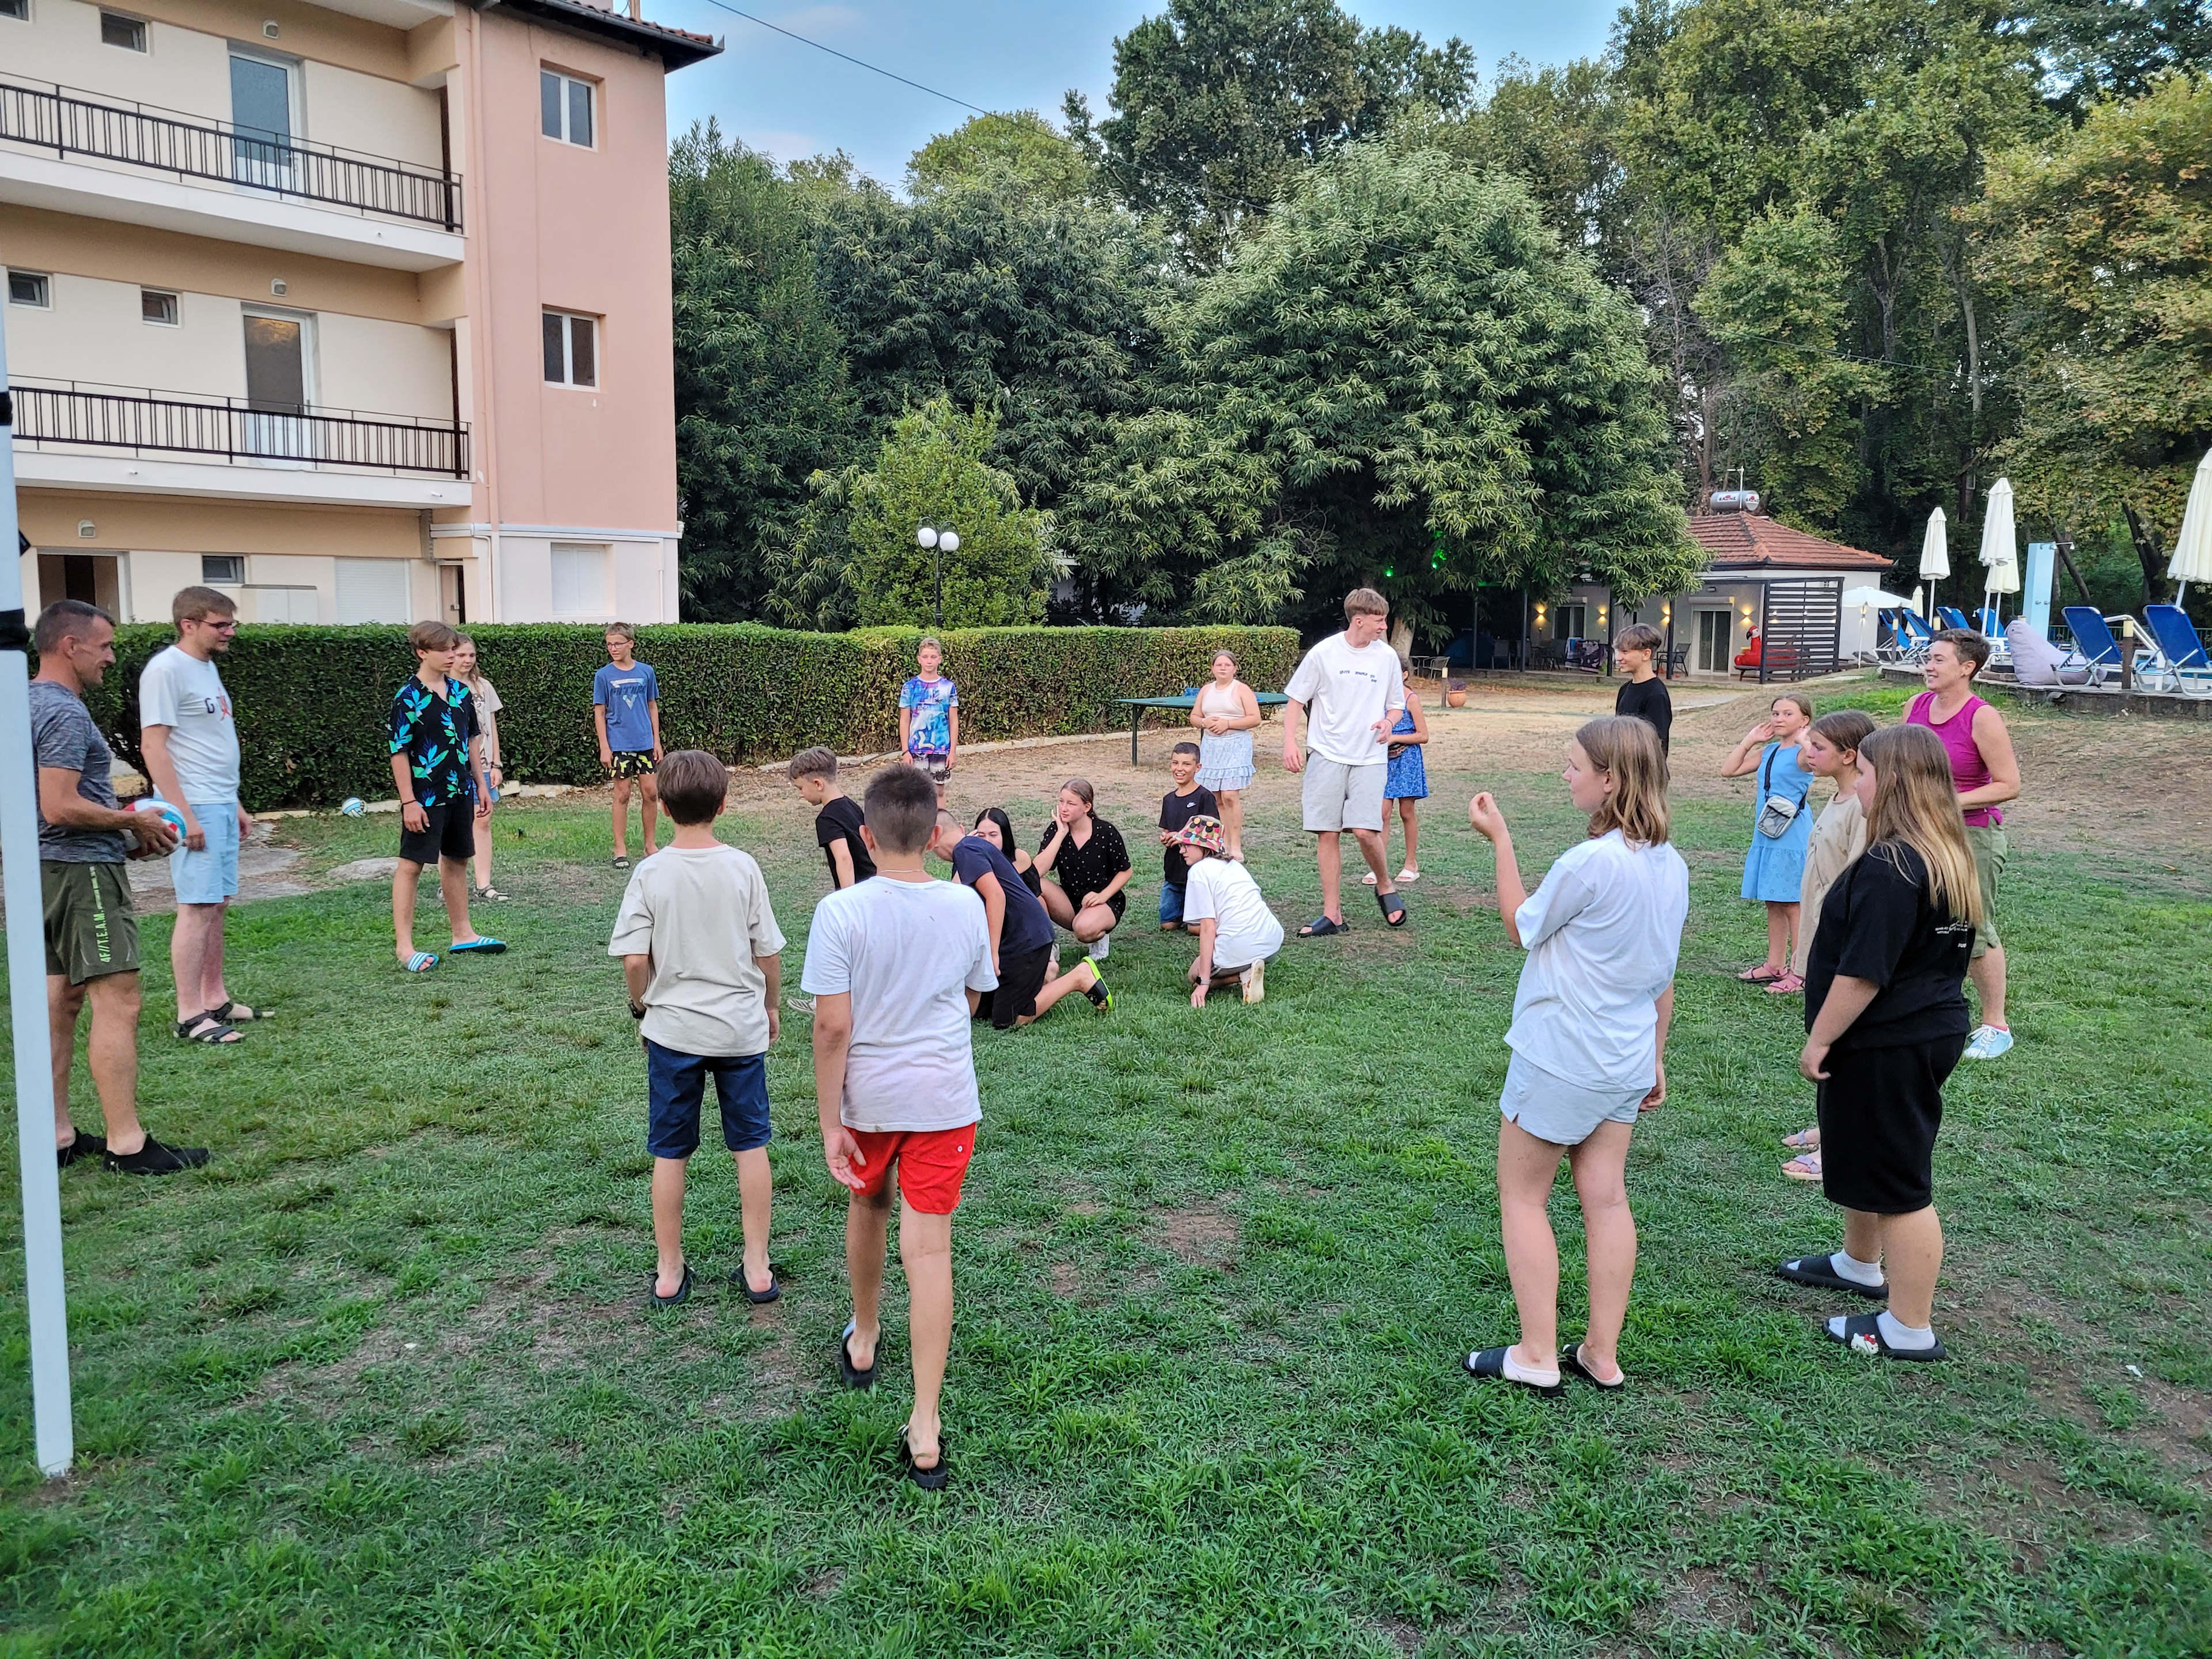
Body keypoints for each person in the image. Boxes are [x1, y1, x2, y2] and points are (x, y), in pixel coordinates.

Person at [1461, 716, 1686, 1394]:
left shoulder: (1591, 863)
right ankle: (1600, 1353)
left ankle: (1536, 1354)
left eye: (1574, 765)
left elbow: (1518, 926)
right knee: (1607, 1200)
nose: (1566, 774)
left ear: (1610, 778)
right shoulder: (1671, 865)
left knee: (1523, 1197)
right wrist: (1656, 1057)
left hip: (1562, 1055)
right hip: (1623, 1057)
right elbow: (1663, 978)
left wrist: (1500, 839)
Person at [804, 766, 998, 1489]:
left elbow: (830, 1026)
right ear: (934, 831)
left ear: (866, 833)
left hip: (869, 1098)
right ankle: (925, 1423)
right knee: (930, 1252)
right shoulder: (963, 905)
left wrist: (830, 1122)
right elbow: (976, 994)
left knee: (868, 1204)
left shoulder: (843, 911)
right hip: (945, 1100)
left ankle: (865, 1337)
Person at [1775, 724, 1980, 1362]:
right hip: (1921, 1029)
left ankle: (1907, 1327)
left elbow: (1864, 973)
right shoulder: (1941, 851)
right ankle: (1859, 1263)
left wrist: (1819, 1041)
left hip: (1891, 1039)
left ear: (1889, 781)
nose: (1854, 782)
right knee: (1867, 1151)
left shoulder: (1892, 866)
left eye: (1862, 772)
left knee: (1900, 1182)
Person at [30, 599, 209, 1175]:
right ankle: (127, 1145)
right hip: (80, 873)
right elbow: (58, 806)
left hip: (44, 870)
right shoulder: (63, 713)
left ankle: (57, 1134)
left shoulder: (27, 703)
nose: (111, 657)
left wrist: (124, 821)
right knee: (119, 998)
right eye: (104, 646)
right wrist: (131, 821)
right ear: (69, 646)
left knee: (61, 1001)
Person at [609, 751, 785, 1309]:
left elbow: (635, 960)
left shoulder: (650, 872)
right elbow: (768, 954)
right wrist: (772, 1007)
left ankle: (669, 1269)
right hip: (738, 1029)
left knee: (670, 1150)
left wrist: (643, 1006)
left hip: (673, 1031)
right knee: (750, 1144)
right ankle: (757, 1265)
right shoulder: (743, 867)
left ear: (660, 805)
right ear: (724, 804)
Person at [138, 585, 262, 1045]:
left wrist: (235, 804)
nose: (229, 632)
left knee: (218, 903)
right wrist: (184, 814)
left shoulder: (205, 668)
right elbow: (155, 746)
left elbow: (207, 744)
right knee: (196, 906)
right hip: (193, 805)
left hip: (218, 801)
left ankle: (215, 998)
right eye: (220, 625)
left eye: (232, 624)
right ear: (188, 624)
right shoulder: (167, 670)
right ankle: (190, 1013)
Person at [1907, 631, 2021, 1060]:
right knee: (1922, 922)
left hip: (1972, 834)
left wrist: (1947, 802)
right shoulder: (1916, 707)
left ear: (1967, 668)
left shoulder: (1982, 716)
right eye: (1928, 658)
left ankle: (1996, 1025)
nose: (1928, 665)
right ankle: (1930, 1005)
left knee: (1973, 926)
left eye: (1938, 659)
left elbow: (2009, 785)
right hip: (1919, 831)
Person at [1778, 710, 1876, 1181]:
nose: (1806, 755)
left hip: (1842, 946)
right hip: (1820, 939)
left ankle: (1840, 1142)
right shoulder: (1838, 798)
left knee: (1841, 1043)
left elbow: (1859, 883)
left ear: (1849, 755)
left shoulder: (1863, 805)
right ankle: (1828, 1123)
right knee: (1824, 1036)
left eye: (1817, 747)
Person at [1282, 588, 1409, 935]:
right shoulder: (1324, 654)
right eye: (1379, 620)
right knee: (1328, 831)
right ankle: (1333, 914)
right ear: (1359, 620)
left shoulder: (1386, 659)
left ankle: (1385, 884)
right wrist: (1290, 742)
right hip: (1326, 753)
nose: (1384, 626)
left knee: (1366, 831)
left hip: (1370, 756)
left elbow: (1397, 705)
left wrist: (1389, 721)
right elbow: (1295, 700)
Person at [389, 620, 502, 972]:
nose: (453, 655)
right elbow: (399, 752)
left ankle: (463, 934)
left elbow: (472, 740)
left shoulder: (460, 692)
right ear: (423, 653)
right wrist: (409, 801)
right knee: (412, 865)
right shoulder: (407, 698)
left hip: (461, 791)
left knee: (457, 859)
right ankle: (405, 948)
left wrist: (481, 785)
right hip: (425, 797)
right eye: (446, 650)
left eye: (455, 648)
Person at [933, 810, 1109, 1027]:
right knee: (984, 1009)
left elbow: (996, 896)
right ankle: (1041, 978)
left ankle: (1079, 977)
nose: (931, 850)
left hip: (1026, 939)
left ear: (935, 835)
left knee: (1010, 1019)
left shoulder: (967, 849)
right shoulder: (971, 847)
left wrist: (993, 953)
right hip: (1020, 936)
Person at [1722, 692, 1816, 984]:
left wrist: (1805, 740)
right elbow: (1729, 770)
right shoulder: (1769, 751)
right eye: (1776, 713)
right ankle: (1775, 964)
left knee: (1792, 903)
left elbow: (1820, 764)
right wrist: (1750, 741)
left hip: (1792, 835)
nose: (1779, 719)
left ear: (1804, 720)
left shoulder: (1803, 753)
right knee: (1773, 900)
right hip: (1768, 832)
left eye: (1788, 714)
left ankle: (1799, 971)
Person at [1174, 815, 1284, 1006]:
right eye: (1181, 845)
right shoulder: (1235, 865)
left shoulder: (1198, 872)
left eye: (1187, 845)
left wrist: (1204, 982)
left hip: (1242, 945)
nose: (1182, 850)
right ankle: (1248, 969)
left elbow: (1207, 928)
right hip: (1272, 941)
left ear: (1204, 846)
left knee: (1194, 974)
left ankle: (1242, 975)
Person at [1036, 778, 1131, 960]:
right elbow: (1037, 871)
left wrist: (1102, 896)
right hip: (1070, 900)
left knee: (1083, 930)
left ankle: (1099, 936)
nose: (1063, 808)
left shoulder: (1106, 832)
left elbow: (1125, 871)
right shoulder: (1056, 830)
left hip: (1104, 900)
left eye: (1071, 804)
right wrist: (1061, 833)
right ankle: (1048, 944)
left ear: (1087, 807)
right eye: (1061, 801)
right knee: (1034, 884)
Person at [593, 623, 662, 869]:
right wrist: (605, 746)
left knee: (651, 793)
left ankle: (650, 845)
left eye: (618, 644)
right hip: (619, 744)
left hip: (644, 743)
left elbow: (652, 706)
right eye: (609, 644)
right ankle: (620, 848)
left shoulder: (646, 672)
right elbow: (599, 712)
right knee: (622, 794)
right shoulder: (603, 676)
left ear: (631, 644)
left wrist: (656, 740)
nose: (613, 648)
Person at [451, 634, 509, 904]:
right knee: (452, 824)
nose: (467, 660)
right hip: (451, 766)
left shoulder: (483, 686)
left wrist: (496, 763)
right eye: (462, 655)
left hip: (483, 764)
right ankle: (449, 883)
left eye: (471, 655)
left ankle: (483, 884)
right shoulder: (442, 687)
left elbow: (491, 727)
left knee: (483, 821)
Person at [1190, 650, 1261, 859]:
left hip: (1235, 745)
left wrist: (1227, 724)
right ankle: (1222, 842)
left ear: (1234, 669)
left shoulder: (1241, 690)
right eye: (1219, 665)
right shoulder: (1206, 690)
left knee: (1230, 795)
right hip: (1212, 746)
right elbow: (1195, 716)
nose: (1223, 668)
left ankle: (1236, 844)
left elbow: (1254, 718)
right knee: (1217, 798)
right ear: (1212, 668)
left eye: (1227, 665)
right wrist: (1205, 723)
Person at [787, 747, 876, 892]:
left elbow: (844, 858)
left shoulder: (827, 819)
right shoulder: (851, 805)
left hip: (860, 890)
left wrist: (848, 898)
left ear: (818, 784)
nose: (801, 795)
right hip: (874, 881)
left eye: (801, 788)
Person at [1365, 690, 1429, 887]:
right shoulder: (1379, 698)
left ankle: (1411, 864)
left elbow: (1423, 735)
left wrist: (1396, 738)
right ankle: (1379, 867)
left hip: (1407, 760)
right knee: (1383, 813)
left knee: (1406, 812)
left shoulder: (1411, 700)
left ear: (1404, 674)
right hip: (1384, 760)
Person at [1157, 741, 1219, 931]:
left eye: (1186, 764)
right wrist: (1166, 837)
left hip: (1197, 875)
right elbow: (1168, 829)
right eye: (1175, 763)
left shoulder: (1205, 797)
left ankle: (1219, 921)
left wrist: (1181, 836)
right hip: (1174, 873)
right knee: (1167, 925)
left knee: (1194, 929)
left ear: (1197, 767)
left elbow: (1211, 835)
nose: (1179, 769)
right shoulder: (1169, 799)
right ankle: (1185, 912)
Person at [898, 636, 959, 787]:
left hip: (941, 749)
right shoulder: (909, 687)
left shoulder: (948, 687)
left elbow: (953, 720)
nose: (929, 661)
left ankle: (940, 812)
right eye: (925, 657)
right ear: (919, 660)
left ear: (940, 659)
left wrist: (952, 752)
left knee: (939, 791)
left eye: (933, 657)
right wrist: (905, 751)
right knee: (918, 792)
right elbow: (905, 720)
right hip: (916, 749)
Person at [1611, 623, 1673, 752]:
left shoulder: (1656, 695)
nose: (1619, 658)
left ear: (1646, 654)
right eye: (1618, 652)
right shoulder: (1625, 689)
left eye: (1625, 652)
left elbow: (1658, 746)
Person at [971, 808, 1041, 899]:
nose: (987, 841)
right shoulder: (968, 861)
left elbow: (1034, 897)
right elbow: (957, 890)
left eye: (993, 835)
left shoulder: (1020, 858)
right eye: (981, 836)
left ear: (1004, 835)